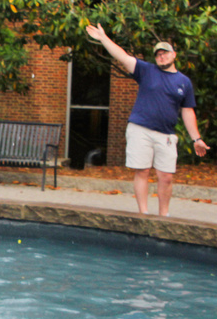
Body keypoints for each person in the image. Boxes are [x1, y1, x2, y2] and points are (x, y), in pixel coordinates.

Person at [85, 23, 209, 216]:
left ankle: (163, 216)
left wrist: (197, 139)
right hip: (140, 129)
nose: (161, 56)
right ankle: (143, 214)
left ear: (174, 55)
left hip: (166, 134)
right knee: (142, 171)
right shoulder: (146, 70)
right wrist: (103, 38)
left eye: (165, 53)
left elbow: (187, 111)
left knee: (166, 176)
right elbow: (122, 56)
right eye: (158, 54)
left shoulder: (184, 82)